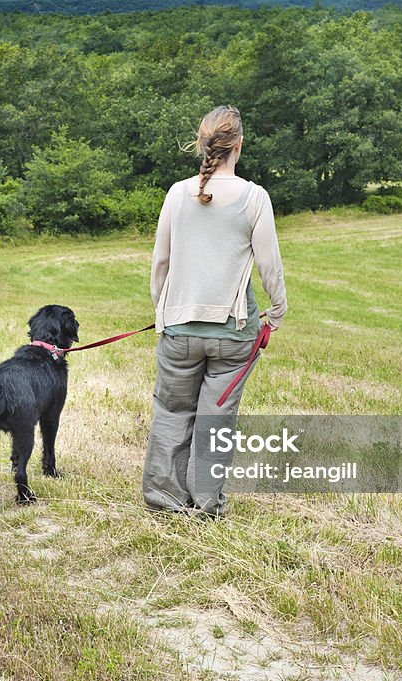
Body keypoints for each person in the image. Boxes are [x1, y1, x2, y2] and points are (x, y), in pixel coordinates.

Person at [143, 105, 287, 518]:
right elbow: (269, 266)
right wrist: (277, 312)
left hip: (179, 331)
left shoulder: (176, 193)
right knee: (215, 421)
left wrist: (162, 310)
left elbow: (161, 263)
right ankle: (207, 505)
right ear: (239, 145)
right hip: (234, 332)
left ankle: (164, 501)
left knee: (171, 414)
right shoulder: (255, 197)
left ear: (202, 144)